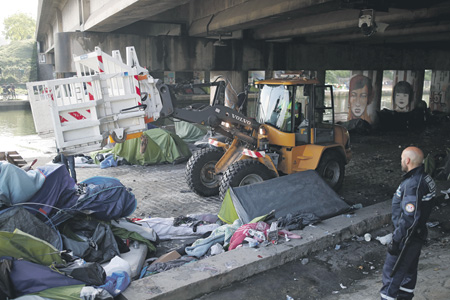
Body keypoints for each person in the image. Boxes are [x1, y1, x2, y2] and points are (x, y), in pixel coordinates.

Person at [380, 146, 436, 300]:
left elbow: (409, 219)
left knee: (391, 278)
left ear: (408, 160)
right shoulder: (425, 178)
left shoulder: (413, 185)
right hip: (416, 236)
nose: (401, 162)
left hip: (406, 239)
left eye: (401, 159)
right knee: (408, 275)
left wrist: (396, 241)